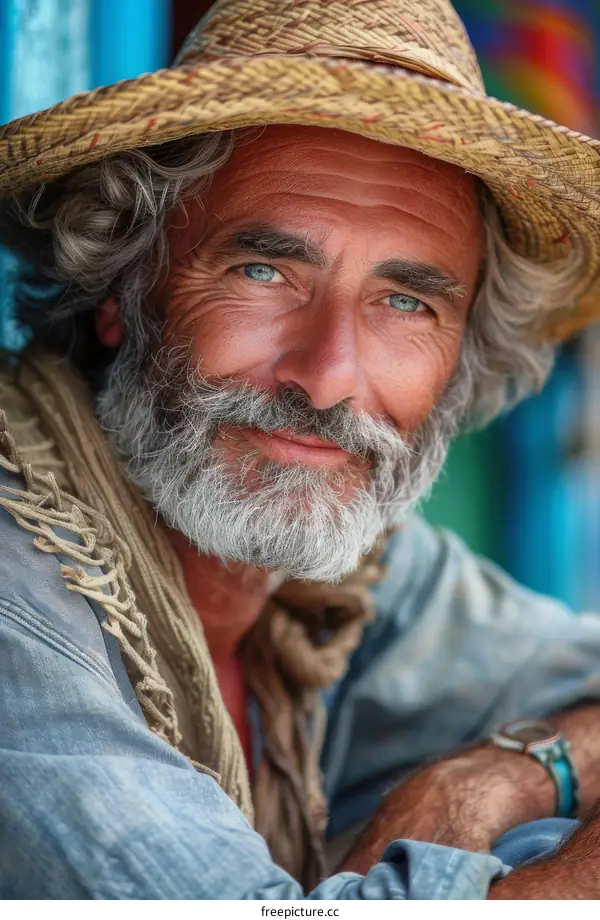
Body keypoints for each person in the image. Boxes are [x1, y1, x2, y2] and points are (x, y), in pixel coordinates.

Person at [1, 0, 600, 901]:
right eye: (264, 272)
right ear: (121, 287)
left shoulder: (345, 579)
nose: (326, 380)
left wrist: (504, 775)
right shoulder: (22, 600)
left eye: (407, 303)